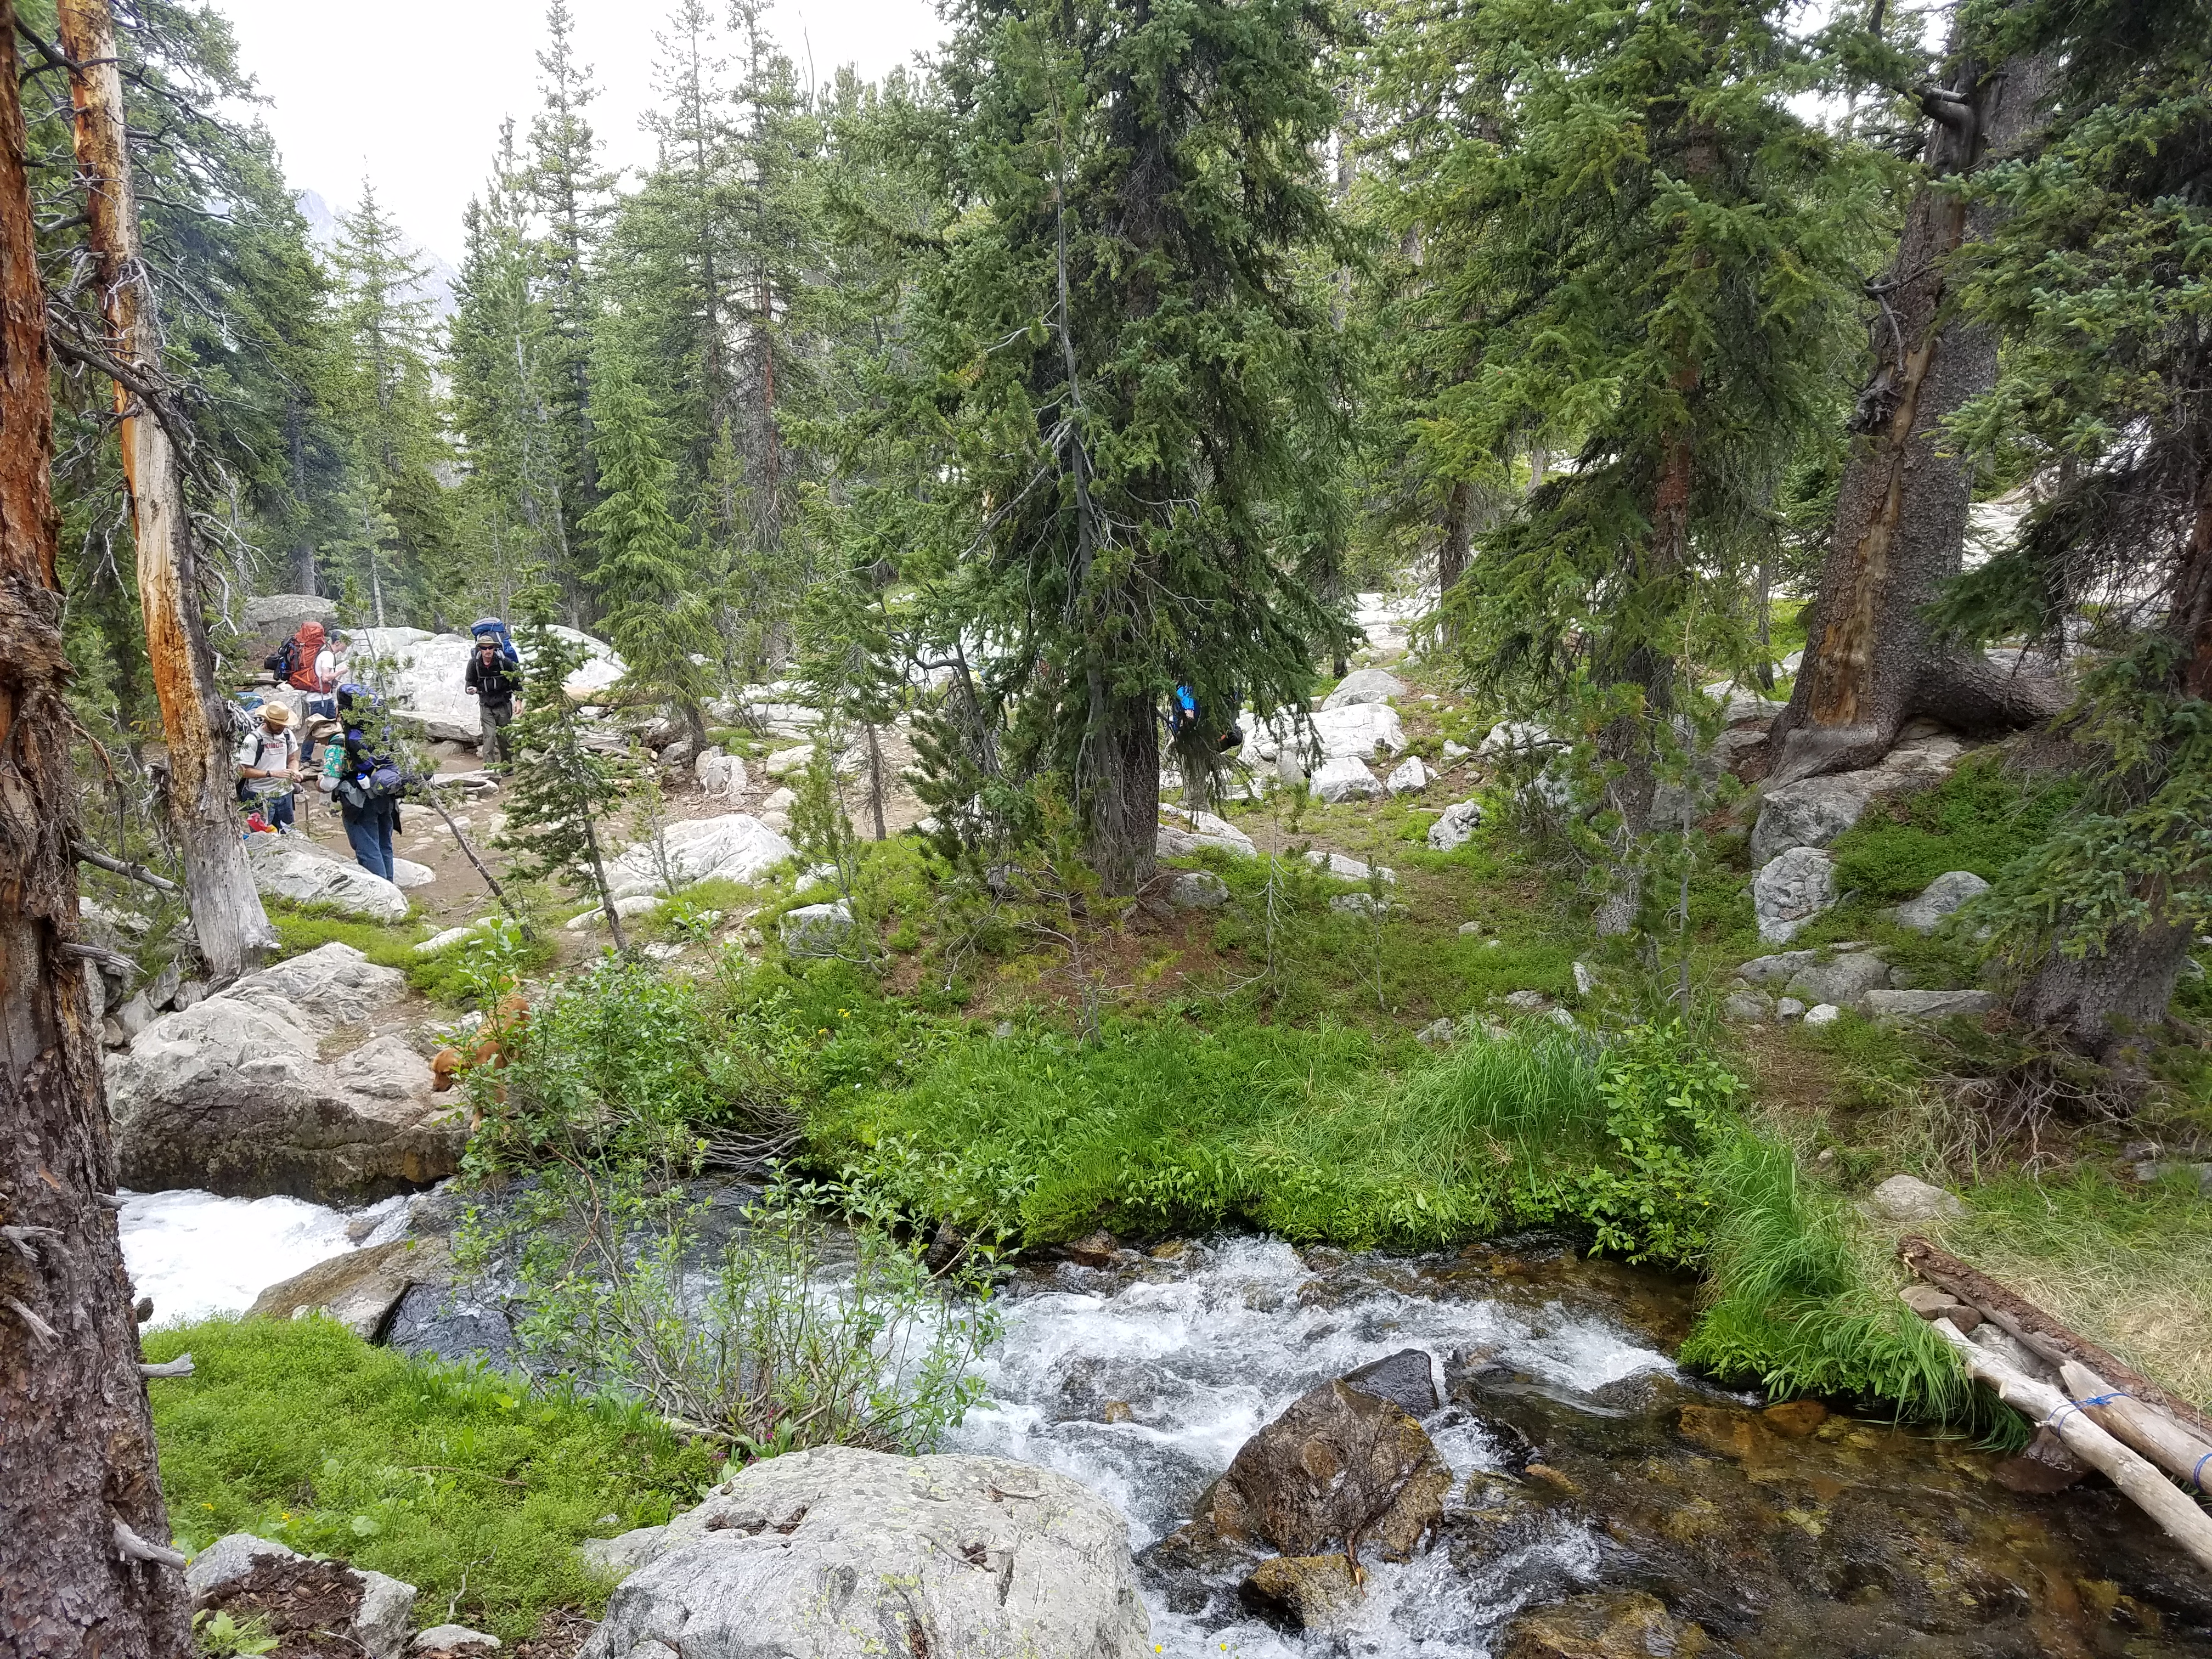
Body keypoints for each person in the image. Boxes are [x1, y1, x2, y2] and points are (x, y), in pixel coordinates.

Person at [329, 684, 403, 881]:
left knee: (368, 847)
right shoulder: (381, 733)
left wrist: (321, 784)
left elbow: (329, 781)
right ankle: (391, 886)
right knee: (384, 845)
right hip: (385, 794)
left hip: (359, 800)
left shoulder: (343, 740)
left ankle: (382, 897)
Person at [235, 702, 300, 832]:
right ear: (267, 721)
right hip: (260, 796)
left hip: (285, 793)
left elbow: (293, 759)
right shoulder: (253, 740)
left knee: (288, 833)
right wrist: (271, 773)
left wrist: (295, 771)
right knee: (263, 836)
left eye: (284, 723)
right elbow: (243, 771)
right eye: (278, 724)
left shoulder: (288, 735)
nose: (282, 726)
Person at [464, 633, 522, 765]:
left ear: (495, 648)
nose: (488, 651)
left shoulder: (504, 663)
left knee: (504, 737)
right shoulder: (474, 664)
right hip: (486, 705)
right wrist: (471, 690)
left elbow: (516, 683)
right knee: (489, 736)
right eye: (484, 648)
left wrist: (519, 702)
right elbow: (469, 684)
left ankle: (507, 767)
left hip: (503, 704)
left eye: (490, 647)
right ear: (480, 649)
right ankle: (489, 769)